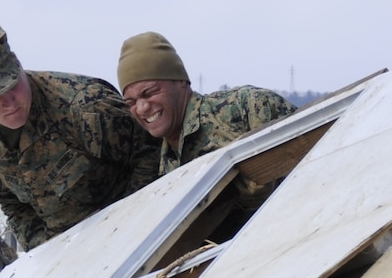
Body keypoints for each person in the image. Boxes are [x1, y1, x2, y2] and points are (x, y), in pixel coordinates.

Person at [0, 24, 158, 252]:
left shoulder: (85, 107)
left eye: (12, 86)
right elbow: (15, 208)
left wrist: (125, 227)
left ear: (17, 63)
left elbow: (152, 156)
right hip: (71, 257)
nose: (8, 103)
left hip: (137, 235)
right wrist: (48, 252)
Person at [116, 32, 293, 209]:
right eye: (131, 102)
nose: (141, 108)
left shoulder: (248, 107)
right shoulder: (164, 164)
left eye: (150, 93)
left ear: (180, 81)